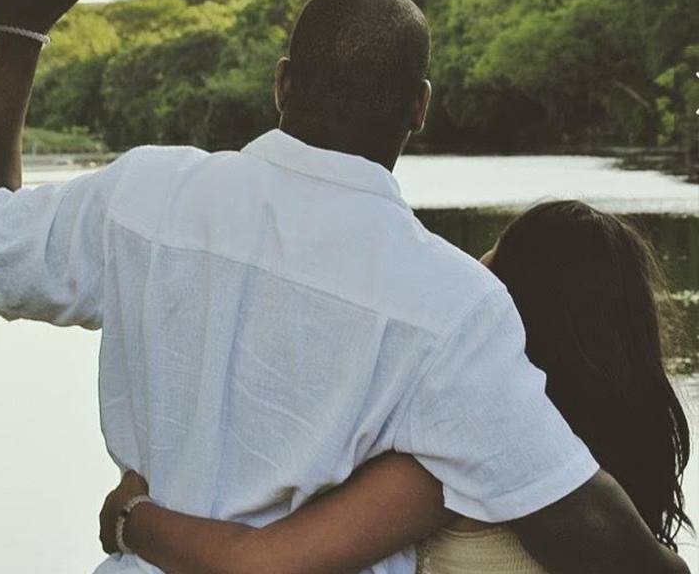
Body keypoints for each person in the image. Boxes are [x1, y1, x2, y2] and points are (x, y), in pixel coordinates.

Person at [0, 0, 689, 574]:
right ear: (420, 107)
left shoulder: (143, 197)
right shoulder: (452, 305)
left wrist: (18, 33)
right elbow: (584, 524)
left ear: (281, 84)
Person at [97, 200, 693, 573]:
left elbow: (261, 564)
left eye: (492, 262)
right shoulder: (619, 464)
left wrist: (133, 518)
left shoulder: (446, 465)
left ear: (515, 304)